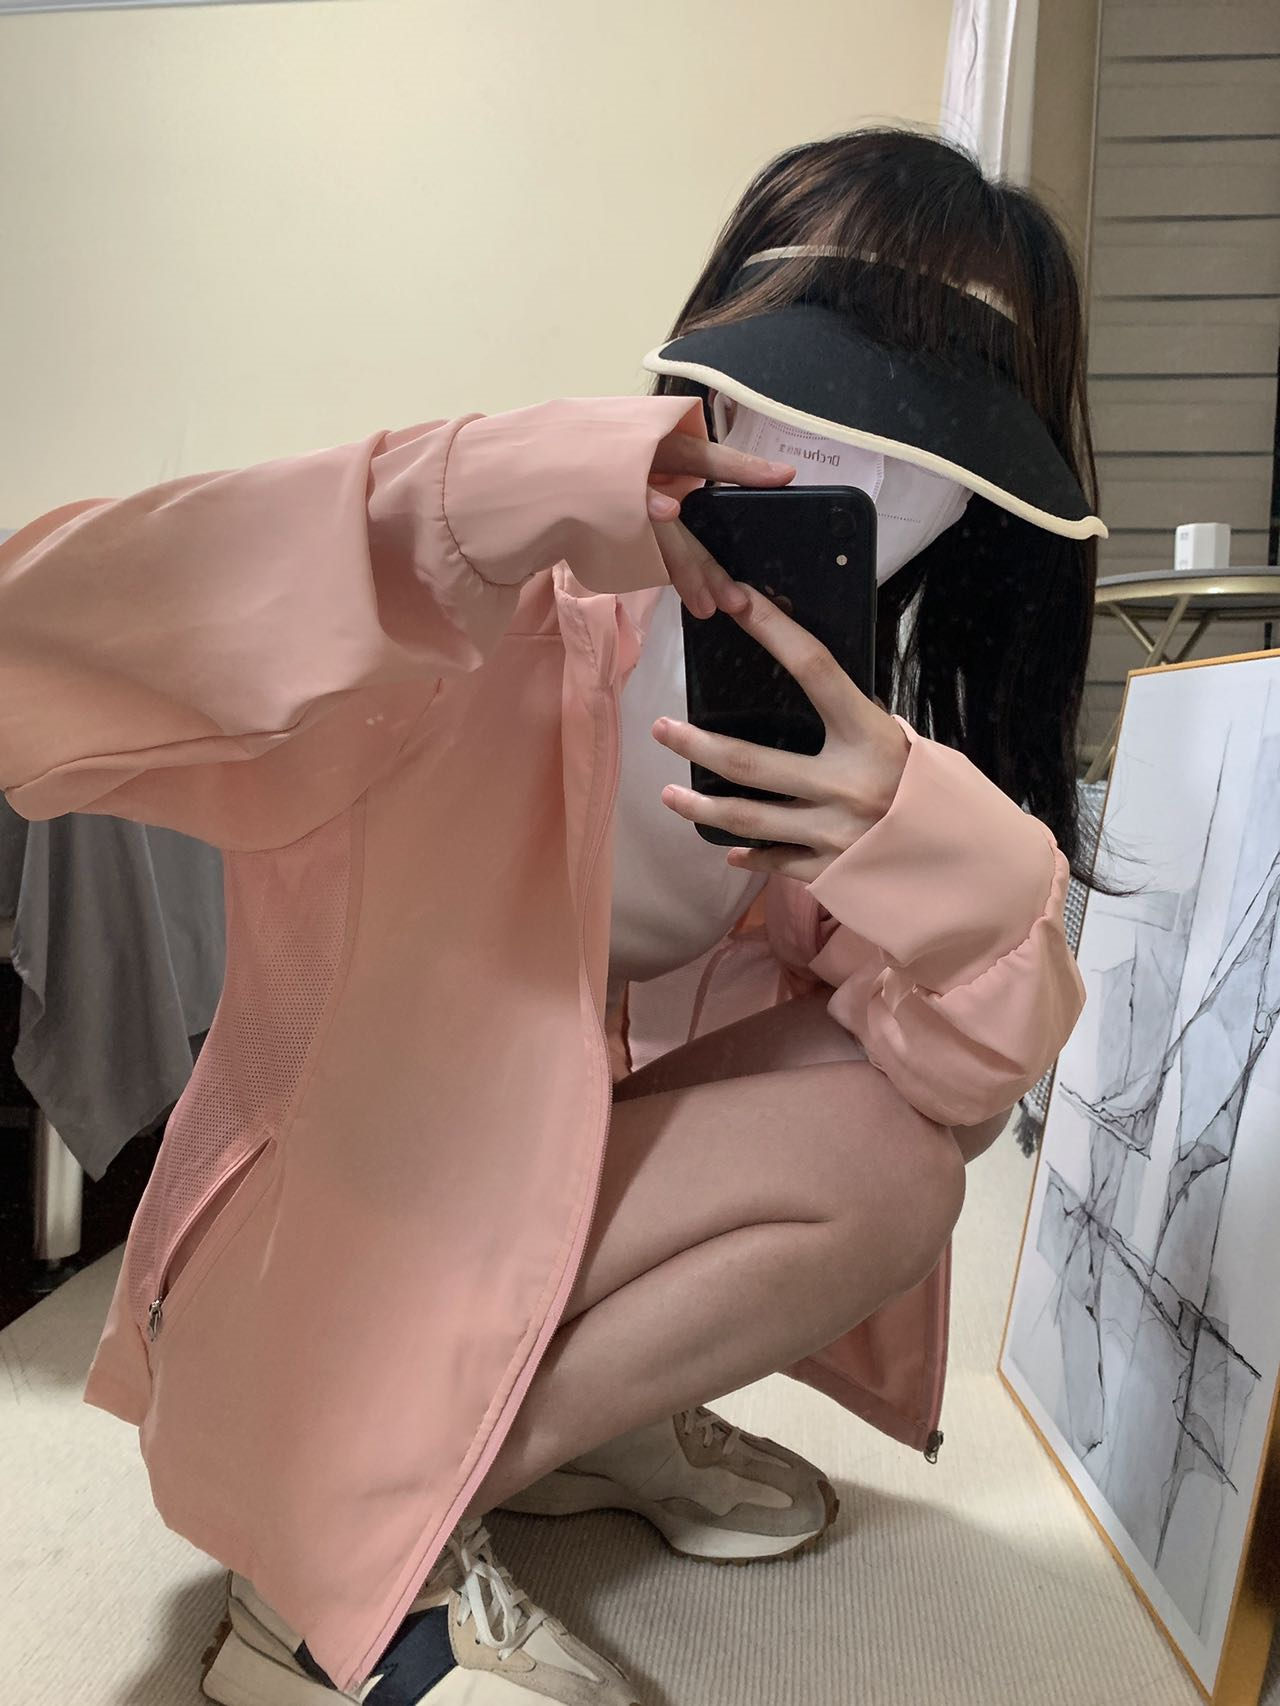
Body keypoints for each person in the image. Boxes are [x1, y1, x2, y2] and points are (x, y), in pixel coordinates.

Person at [0, 128, 1104, 1706]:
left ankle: (562, 1436)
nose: (854, 461)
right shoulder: (492, 607)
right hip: (326, 1256)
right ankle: (313, 1578)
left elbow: (951, 1088)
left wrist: (928, 840)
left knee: (896, 1161)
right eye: (815, 383)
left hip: (526, 1230)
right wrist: (457, 503)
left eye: (927, 433)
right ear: (721, 372)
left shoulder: (837, 740)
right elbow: (34, 621)